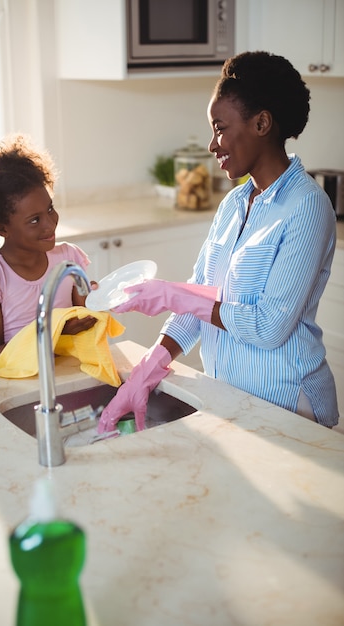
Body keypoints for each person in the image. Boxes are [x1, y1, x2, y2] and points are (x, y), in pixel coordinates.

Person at [97, 50, 339, 433]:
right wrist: (148, 369)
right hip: (232, 398)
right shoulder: (234, 203)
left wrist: (174, 295)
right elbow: (199, 299)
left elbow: (269, 326)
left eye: (220, 127)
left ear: (261, 123)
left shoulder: (307, 206)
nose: (213, 144)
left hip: (290, 405)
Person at [0, 134, 97, 366]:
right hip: (17, 387)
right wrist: (56, 335)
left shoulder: (68, 258)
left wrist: (100, 302)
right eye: (34, 220)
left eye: (50, 209)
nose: (50, 223)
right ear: (2, 228)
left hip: (70, 373)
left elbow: (88, 319)